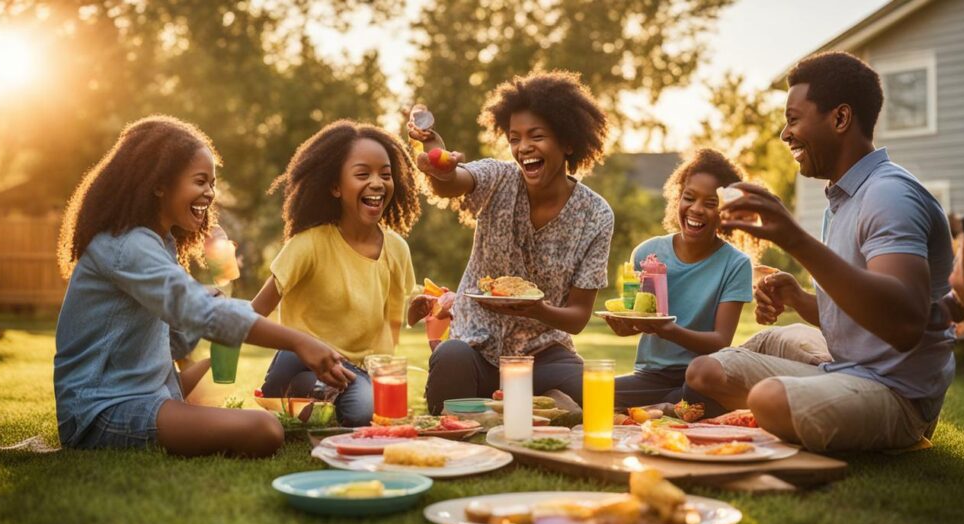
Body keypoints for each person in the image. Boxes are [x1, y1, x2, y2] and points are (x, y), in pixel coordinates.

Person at [685, 51, 954, 452]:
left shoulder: (889, 195)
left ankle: (891, 430)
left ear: (840, 118)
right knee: (703, 372)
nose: (785, 134)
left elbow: (904, 324)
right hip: (844, 366)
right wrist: (799, 298)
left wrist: (795, 240)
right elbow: (858, 318)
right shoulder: (844, 198)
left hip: (897, 393)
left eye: (793, 119)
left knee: (769, 399)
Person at [55, 116, 354, 457]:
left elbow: (175, 335)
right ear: (159, 183)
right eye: (200, 181)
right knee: (264, 430)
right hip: (102, 410)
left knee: (252, 421)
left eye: (212, 183)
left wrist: (217, 333)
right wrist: (300, 342)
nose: (209, 194)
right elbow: (197, 311)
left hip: (147, 394)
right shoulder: (128, 245)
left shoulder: (158, 243)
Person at [407, 70, 615, 414]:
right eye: (515, 138)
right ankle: (504, 411)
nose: (523, 148)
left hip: (544, 354)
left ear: (568, 142)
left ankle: (532, 405)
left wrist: (537, 309)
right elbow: (453, 181)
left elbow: (578, 316)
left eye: (536, 136)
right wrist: (438, 163)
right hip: (476, 348)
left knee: (595, 400)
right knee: (450, 356)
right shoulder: (499, 178)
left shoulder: (596, 215)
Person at [252, 120, 430, 427]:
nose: (377, 183)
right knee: (361, 408)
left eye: (385, 175)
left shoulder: (396, 249)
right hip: (298, 361)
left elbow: (394, 323)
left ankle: (319, 398)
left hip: (354, 371)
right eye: (363, 174)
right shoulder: (309, 244)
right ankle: (293, 393)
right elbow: (254, 313)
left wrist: (420, 311)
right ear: (335, 186)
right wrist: (299, 344)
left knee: (369, 411)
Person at [603, 150, 753, 411]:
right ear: (678, 198)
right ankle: (668, 408)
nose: (696, 209)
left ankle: (669, 407)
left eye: (710, 203)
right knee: (593, 391)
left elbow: (720, 341)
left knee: (702, 396)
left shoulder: (736, 264)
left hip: (700, 376)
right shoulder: (647, 253)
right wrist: (626, 325)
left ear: (725, 211)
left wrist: (668, 329)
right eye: (689, 198)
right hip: (651, 377)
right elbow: (639, 320)